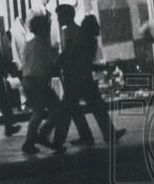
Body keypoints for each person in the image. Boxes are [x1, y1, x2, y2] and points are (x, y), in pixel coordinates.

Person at [52, 14, 126, 149]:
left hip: (73, 78)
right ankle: (107, 134)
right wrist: (103, 67)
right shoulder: (89, 40)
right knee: (96, 107)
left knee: (70, 110)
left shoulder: (79, 37)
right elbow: (85, 63)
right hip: (82, 78)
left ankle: (63, 140)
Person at [19, 14, 63, 154]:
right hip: (38, 82)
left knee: (37, 112)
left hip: (27, 80)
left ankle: (29, 142)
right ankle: (42, 134)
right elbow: (53, 62)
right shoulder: (43, 44)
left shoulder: (29, 43)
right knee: (57, 108)